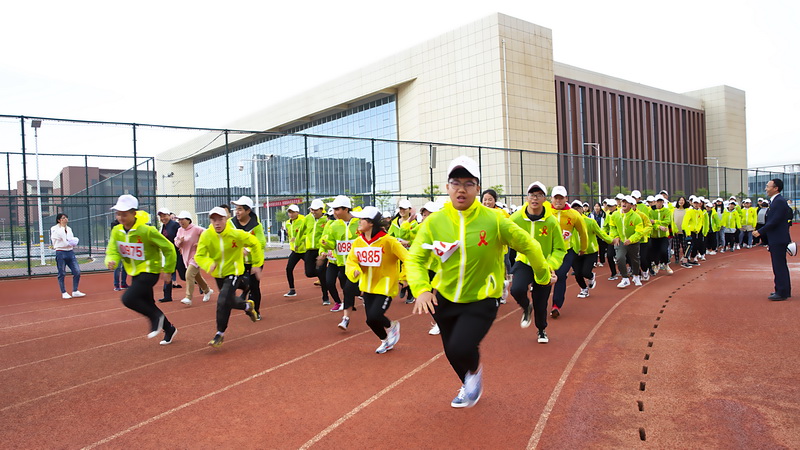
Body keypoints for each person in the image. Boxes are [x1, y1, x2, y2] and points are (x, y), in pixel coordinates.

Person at [407, 156, 552, 409]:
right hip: (445, 296)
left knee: (462, 345)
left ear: (477, 188)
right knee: (451, 350)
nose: (461, 189)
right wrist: (421, 289)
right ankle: (468, 382)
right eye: (455, 183)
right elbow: (415, 258)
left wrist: (543, 276)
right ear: (447, 187)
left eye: (468, 183)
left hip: (483, 297)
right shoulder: (434, 222)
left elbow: (529, 245)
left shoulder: (494, 220)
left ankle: (473, 373)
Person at [105, 195, 178, 345]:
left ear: (134, 213)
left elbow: (169, 248)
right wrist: (111, 261)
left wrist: (168, 270)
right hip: (134, 272)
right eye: (118, 214)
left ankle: (156, 318)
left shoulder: (147, 231)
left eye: (124, 214)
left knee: (128, 299)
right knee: (148, 303)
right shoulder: (117, 231)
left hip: (150, 270)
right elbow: (113, 250)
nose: (120, 217)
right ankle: (169, 328)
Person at [194, 207, 263, 347]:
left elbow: (256, 243)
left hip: (234, 271)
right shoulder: (206, 236)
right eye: (214, 219)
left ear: (226, 219)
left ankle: (219, 334)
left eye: (220, 219)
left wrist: (257, 263)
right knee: (228, 301)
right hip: (218, 274)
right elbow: (199, 256)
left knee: (222, 301)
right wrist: (208, 263)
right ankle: (247, 305)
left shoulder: (236, 234)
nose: (217, 223)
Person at [345, 206, 407, 353]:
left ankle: (391, 326)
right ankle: (385, 340)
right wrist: (354, 270)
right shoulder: (358, 242)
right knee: (370, 320)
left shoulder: (388, 241)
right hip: (367, 286)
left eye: (362, 219)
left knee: (375, 315)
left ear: (371, 222)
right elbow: (351, 261)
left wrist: (403, 277)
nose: (359, 222)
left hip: (385, 286)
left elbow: (408, 259)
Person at [509, 181, 564, 343]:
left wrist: (551, 266)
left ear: (544, 199)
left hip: (544, 265)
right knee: (517, 290)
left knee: (541, 302)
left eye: (539, 195)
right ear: (527, 198)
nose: (535, 198)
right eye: (532, 195)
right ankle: (526, 307)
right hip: (524, 262)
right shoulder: (516, 218)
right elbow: (502, 235)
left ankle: (541, 330)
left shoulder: (551, 221)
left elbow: (559, 248)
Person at [318, 195, 360, 329]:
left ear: (346, 209)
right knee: (347, 289)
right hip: (341, 264)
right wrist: (325, 244)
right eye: (334, 209)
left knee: (350, 289)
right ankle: (346, 317)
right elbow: (331, 243)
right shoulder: (334, 225)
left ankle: (347, 316)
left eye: (337, 209)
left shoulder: (359, 222)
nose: (334, 212)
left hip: (358, 264)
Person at [548, 185, 588, 318]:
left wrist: (583, 248)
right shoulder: (545, 211)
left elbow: (583, 232)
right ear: (551, 198)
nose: (558, 201)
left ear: (566, 198)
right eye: (556, 198)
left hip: (566, 251)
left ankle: (556, 305)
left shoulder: (574, 214)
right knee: (545, 278)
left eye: (561, 198)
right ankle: (540, 304)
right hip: (547, 251)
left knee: (560, 275)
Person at [753, 178, 793, 301]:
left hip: (778, 238)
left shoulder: (779, 201)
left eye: (768, 186)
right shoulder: (775, 201)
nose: (766, 188)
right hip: (776, 238)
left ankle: (782, 292)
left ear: (776, 188)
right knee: (779, 265)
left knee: (779, 266)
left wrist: (760, 231)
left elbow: (775, 221)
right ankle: (783, 289)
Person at [230, 196, 267, 320]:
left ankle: (256, 310)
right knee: (236, 282)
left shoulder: (256, 225)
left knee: (255, 286)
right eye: (236, 209)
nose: (237, 212)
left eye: (240, 209)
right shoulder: (231, 223)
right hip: (238, 261)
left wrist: (248, 249)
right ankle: (246, 289)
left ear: (248, 211)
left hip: (255, 261)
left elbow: (261, 242)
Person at [173, 210, 213, 306]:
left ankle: (188, 297)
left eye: (182, 219)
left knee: (189, 274)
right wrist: (180, 242)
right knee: (196, 276)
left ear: (188, 220)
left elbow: (209, 235)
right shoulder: (180, 230)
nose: (180, 222)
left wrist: (200, 244)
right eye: (179, 220)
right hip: (186, 256)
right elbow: (177, 243)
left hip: (197, 256)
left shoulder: (196, 229)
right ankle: (207, 290)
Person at [608, 196, 645, 288]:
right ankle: (625, 278)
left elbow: (639, 232)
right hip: (621, 241)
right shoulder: (615, 215)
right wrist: (616, 236)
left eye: (626, 202)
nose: (624, 204)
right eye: (623, 202)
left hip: (633, 242)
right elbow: (612, 227)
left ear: (631, 205)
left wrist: (631, 239)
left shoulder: (636, 217)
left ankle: (636, 276)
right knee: (619, 258)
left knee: (635, 259)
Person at [389, 199, 418, 303]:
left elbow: (418, 239)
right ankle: (403, 285)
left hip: (410, 253)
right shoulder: (394, 223)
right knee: (399, 272)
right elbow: (390, 236)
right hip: (398, 253)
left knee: (410, 272)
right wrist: (396, 242)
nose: (402, 211)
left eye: (404, 209)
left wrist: (408, 242)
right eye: (401, 208)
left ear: (409, 210)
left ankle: (410, 294)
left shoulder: (414, 224)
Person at [50, 213, 85, 299]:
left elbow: (70, 239)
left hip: (70, 252)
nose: (65, 219)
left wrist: (73, 241)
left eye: (66, 218)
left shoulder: (69, 229)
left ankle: (75, 291)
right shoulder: (54, 229)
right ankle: (64, 292)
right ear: (59, 220)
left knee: (77, 271)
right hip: (60, 252)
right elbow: (62, 238)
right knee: (62, 273)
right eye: (63, 218)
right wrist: (62, 228)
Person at [304, 199, 330, 305]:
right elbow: (302, 230)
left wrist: (325, 250)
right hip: (310, 249)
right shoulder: (308, 218)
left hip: (321, 250)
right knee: (309, 273)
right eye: (312, 209)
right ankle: (326, 272)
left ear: (321, 209)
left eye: (315, 210)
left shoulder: (326, 220)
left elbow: (328, 234)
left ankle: (325, 297)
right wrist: (297, 241)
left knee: (321, 273)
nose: (313, 212)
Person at [156, 208, 184, 302]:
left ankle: (202, 285)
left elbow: (181, 235)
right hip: (169, 255)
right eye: (161, 216)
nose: (162, 218)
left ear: (169, 215)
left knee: (184, 275)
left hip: (178, 253)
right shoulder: (163, 227)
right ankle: (167, 296)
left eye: (164, 215)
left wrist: (181, 245)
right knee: (168, 273)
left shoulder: (175, 225)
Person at [283, 204, 306, 297]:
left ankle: (324, 283)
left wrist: (298, 241)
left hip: (305, 250)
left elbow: (306, 234)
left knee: (312, 270)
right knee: (289, 269)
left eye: (293, 212)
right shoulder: (287, 223)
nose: (291, 214)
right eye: (289, 212)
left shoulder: (303, 220)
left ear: (298, 212)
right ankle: (292, 290)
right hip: (295, 251)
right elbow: (289, 235)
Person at [649, 195, 674, 275]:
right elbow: (651, 223)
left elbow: (667, 221)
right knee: (655, 252)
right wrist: (659, 226)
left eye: (661, 201)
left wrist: (656, 222)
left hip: (664, 235)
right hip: (654, 236)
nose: (659, 203)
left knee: (664, 250)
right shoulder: (651, 211)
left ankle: (666, 264)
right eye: (658, 201)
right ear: (655, 202)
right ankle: (657, 265)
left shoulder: (666, 211)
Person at [110, 219, 129, 291]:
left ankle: (123, 283)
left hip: (125, 247)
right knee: (117, 267)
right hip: (117, 248)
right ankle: (116, 285)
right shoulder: (114, 224)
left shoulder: (127, 223)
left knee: (125, 267)